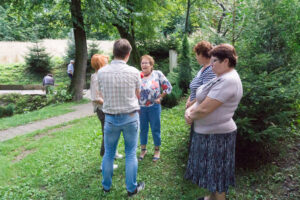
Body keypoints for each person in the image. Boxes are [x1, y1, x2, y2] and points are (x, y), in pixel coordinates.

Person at [184, 44, 243, 200]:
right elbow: (201, 100)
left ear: (226, 61)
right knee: (211, 174)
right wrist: (189, 110)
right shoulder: (220, 76)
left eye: (215, 61)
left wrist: (190, 115)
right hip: (208, 133)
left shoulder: (229, 80)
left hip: (218, 136)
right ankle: (210, 198)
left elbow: (204, 109)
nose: (211, 64)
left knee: (218, 176)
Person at [98, 39, 145, 197]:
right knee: (131, 153)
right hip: (131, 117)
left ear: (113, 52)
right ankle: (131, 188)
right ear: (128, 54)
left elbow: (102, 94)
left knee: (109, 153)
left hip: (110, 118)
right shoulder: (134, 72)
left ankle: (106, 187)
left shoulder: (102, 72)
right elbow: (138, 95)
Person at [90, 54, 123, 171]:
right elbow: (95, 97)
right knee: (107, 135)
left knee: (113, 131)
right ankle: (105, 163)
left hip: (107, 108)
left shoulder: (103, 75)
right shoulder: (96, 77)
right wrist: (109, 102)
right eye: (106, 62)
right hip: (103, 110)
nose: (108, 64)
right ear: (100, 64)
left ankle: (114, 153)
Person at [138, 55, 172, 162]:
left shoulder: (157, 74)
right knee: (143, 129)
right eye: (142, 63)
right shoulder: (138, 75)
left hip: (154, 107)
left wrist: (161, 97)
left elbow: (168, 87)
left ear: (151, 65)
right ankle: (143, 150)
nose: (144, 65)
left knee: (155, 128)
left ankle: (157, 150)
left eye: (146, 63)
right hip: (141, 108)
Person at [186, 41, 216, 153]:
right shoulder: (202, 68)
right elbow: (196, 87)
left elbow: (206, 93)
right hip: (193, 107)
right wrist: (189, 100)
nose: (196, 57)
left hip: (199, 110)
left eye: (197, 54)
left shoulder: (210, 71)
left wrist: (192, 104)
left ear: (203, 55)